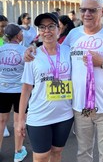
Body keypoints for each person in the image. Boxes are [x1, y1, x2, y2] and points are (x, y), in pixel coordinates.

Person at [23, 0, 103, 162]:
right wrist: (32, 48)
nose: (87, 14)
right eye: (83, 9)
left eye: (92, 10)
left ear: (102, 11)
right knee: (83, 153)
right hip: (80, 107)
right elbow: (53, 50)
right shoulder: (73, 34)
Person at [17, 13, 74, 162]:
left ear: (59, 30)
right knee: (41, 157)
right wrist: (20, 119)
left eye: (51, 26)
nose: (46, 31)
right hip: (39, 115)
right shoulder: (33, 55)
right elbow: (26, 89)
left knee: (57, 152)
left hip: (64, 114)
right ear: (39, 32)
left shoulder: (69, 52)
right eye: (42, 27)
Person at [0, 24, 27, 162]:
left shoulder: (0, 49)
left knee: (1, 121)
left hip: (2, 90)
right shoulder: (25, 50)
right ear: (18, 35)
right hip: (20, 92)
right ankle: (18, 151)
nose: (22, 35)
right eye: (21, 32)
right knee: (19, 121)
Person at [0, 15, 10, 137]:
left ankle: (4, 125)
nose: (4, 29)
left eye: (6, 26)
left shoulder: (7, 40)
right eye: (2, 26)